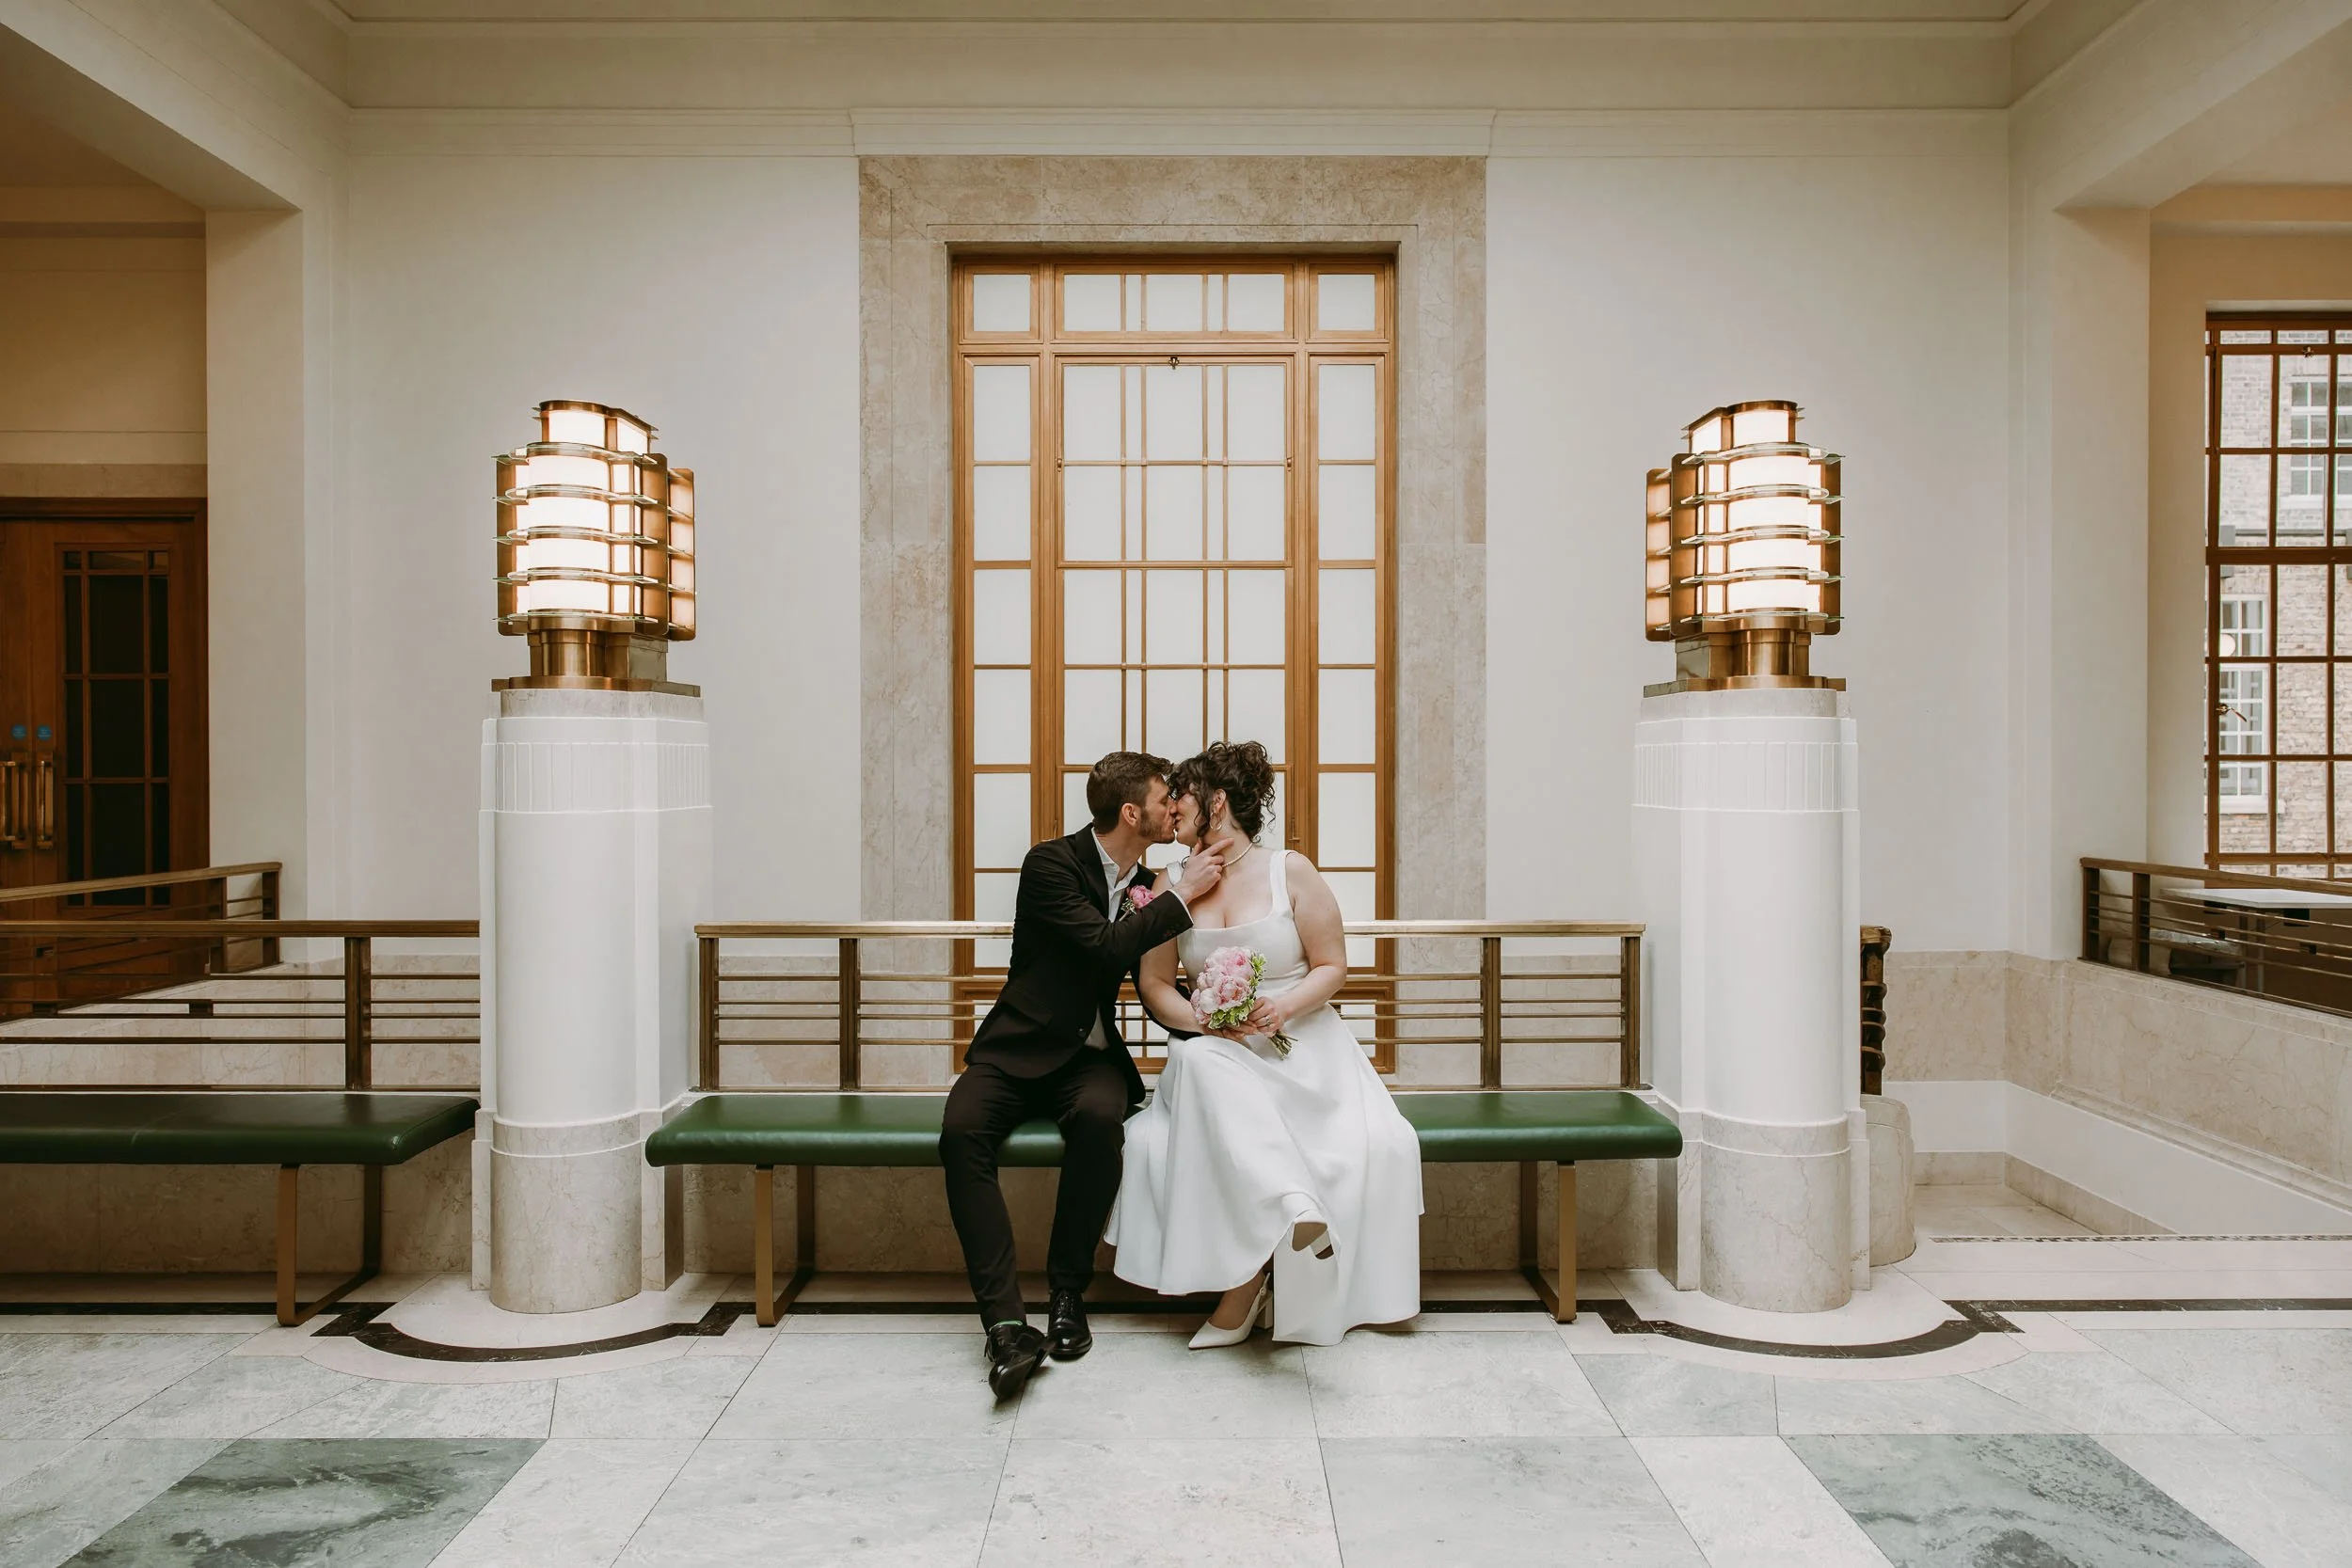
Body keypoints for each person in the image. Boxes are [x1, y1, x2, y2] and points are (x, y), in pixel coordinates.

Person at [1108, 740, 1423, 1347]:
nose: (1171, 808)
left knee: (1376, 1141)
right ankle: (1292, 1208)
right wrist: (1207, 1022)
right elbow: (1153, 984)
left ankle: (1247, 1285)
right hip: (1217, 1051)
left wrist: (1282, 1005)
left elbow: (1333, 966)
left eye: (1184, 796)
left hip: (1301, 1044)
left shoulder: (1290, 871)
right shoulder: (1165, 886)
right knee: (1197, 1058)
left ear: (1217, 802)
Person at [940, 750, 1228, 1398]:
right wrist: (1180, 896)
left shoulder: (1150, 885)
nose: (1171, 806)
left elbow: (1157, 977)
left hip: (1090, 1059)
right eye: (1163, 798)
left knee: (1103, 1123)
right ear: (1132, 812)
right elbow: (1102, 946)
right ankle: (1006, 1323)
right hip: (1016, 1052)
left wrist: (1225, 1026)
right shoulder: (1050, 864)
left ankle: (1067, 1295)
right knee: (960, 1132)